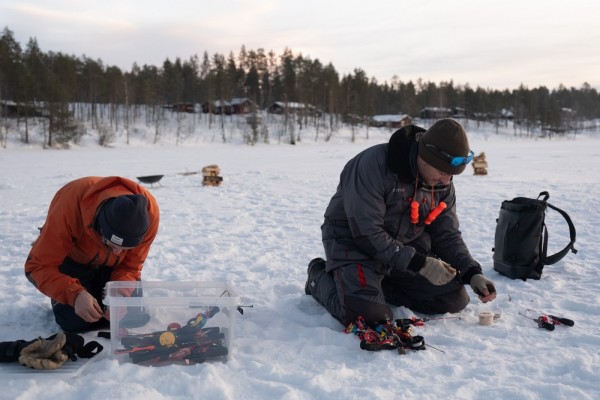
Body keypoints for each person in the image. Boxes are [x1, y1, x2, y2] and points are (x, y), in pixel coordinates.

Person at [305, 118, 496, 326]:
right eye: (442, 172)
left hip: (404, 248)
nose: (447, 181)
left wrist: (471, 272)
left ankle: (377, 287)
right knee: (369, 319)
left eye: (451, 175)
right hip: (353, 244)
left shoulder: (441, 184)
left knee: (452, 299)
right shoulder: (373, 165)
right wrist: (419, 264)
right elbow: (366, 232)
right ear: (425, 156)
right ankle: (319, 276)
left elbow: (446, 234)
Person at [25, 176, 160, 332]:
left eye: (126, 249)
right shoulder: (69, 205)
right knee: (77, 323)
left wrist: (120, 292)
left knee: (132, 318)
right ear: (100, 229)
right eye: (113, 245)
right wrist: (75, 295)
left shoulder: (148, 215)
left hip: (113, 268)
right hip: (75, 261)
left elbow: (130, 266)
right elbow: (36, 267)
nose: (118, 252)